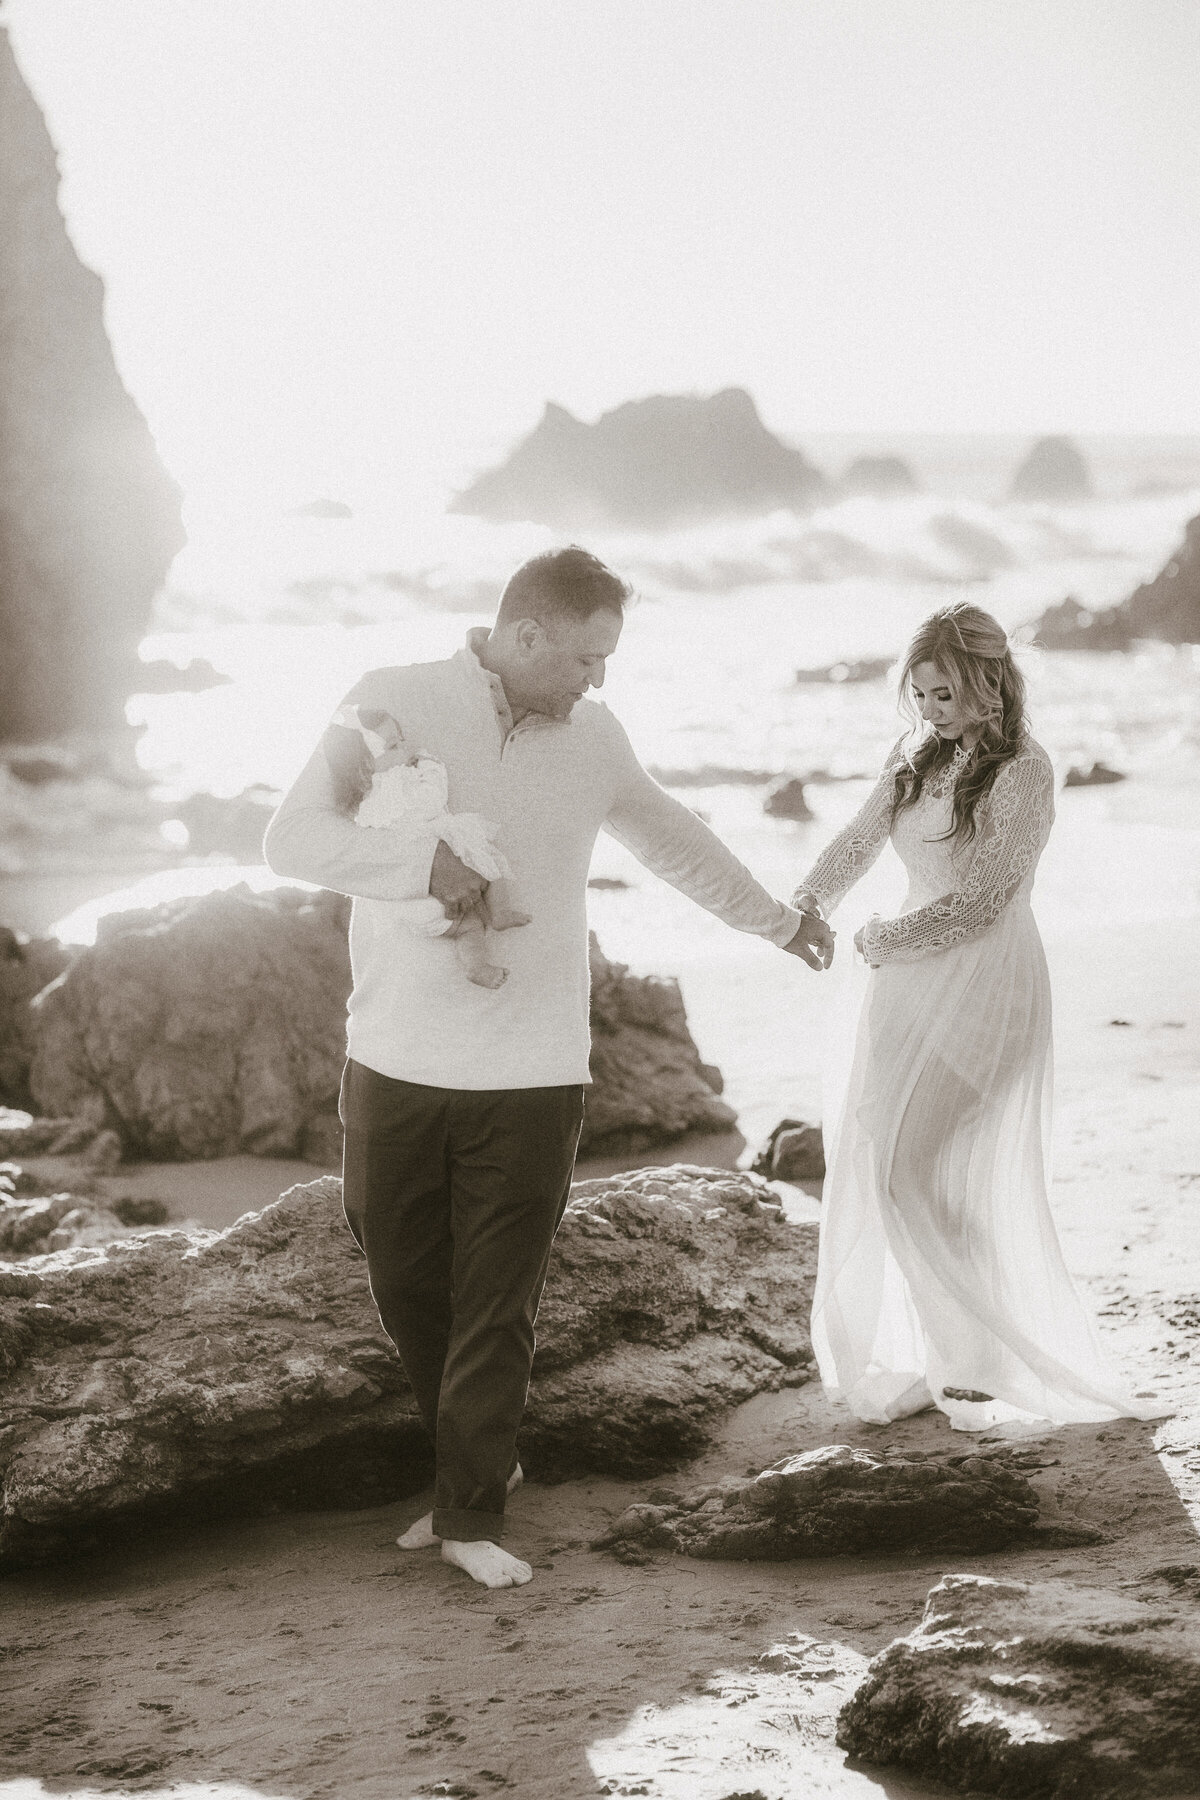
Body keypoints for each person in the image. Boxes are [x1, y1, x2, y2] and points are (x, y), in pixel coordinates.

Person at [264, 545, 833, 1588]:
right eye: (586, 656)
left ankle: (468, 1510)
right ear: (525, 635)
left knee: (497, 1298)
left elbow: (674, 839)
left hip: (534, 1066)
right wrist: (420, 866)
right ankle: (481, 1460)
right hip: (391, 1053)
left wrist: (778, 920)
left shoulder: (596, 738)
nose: (597, 679)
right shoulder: (386, 702)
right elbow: (289, 835)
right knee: (403, 1276)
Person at [791, 601, 1163, 1433]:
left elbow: (982, 903)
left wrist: (884, 935)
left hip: (985, 985)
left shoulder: (1025, 770)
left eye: (946, 695)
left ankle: (986, 1354)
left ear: (991, 683)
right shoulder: (915, 755)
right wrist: (807, 903)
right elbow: (858, 838)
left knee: (914, 1170)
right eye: (920, 695)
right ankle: (958, 1353)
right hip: (905, 985)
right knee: (900, 1166)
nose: (930, 711)